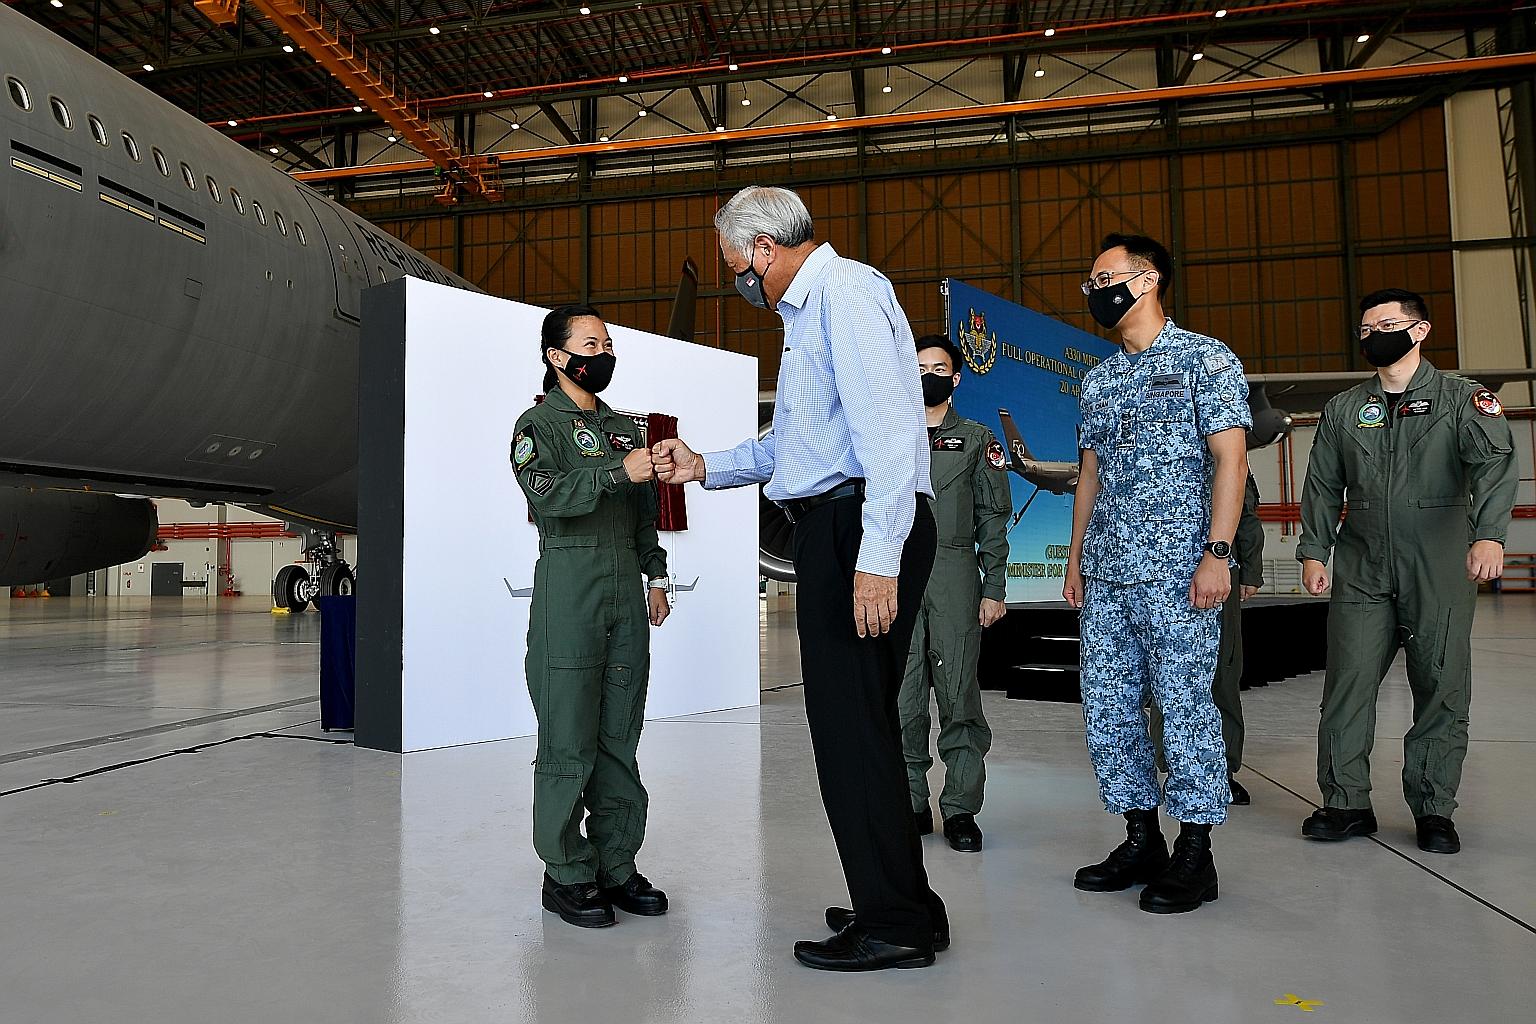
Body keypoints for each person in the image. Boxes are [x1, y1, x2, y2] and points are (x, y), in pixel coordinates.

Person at [653, 185, 946, 971]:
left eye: (733, 266)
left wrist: (876, 558)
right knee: (867, 728)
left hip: (856, 527)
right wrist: (707, 465)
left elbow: (888, 431)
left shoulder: (842, 293)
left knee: (850, 733)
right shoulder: (813, 311)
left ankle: (894, 925)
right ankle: (907, 902)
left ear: (761, 250)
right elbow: (795, 443)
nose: (735, 282)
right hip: (848, 520)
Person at [1063, 233, 1250, 915]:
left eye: (1105, 277)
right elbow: (1089, 476)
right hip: (1109, 574)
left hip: (1180, 572)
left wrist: (1218, 554)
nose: (1096, 291)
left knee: (1184, 708)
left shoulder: (1206, 358)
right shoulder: (1099, 378)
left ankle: (1195, 852)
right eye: (1091, 282)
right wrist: (1076, 558)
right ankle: (1141, 837)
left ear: (1148, 281)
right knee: (1110, 710)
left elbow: (1231, 461)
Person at [1296, 288, 1517, 855]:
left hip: (1438, 561)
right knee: (1347, 685)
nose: (1373, 335)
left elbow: (1494, 466)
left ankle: (1433, 808)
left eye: (1386, 325)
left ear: (1420, 330)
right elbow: (1322, 484)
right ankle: (1345, 801)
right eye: (1365, 328)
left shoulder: (1461, 400)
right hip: (1362, 563)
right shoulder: (1346, 409)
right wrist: (1315, 551)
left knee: (1441, 687)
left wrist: (1489, 535)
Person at [510, 305, 673, 928]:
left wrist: (655, 576)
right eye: (590, 343)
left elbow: (641, 518)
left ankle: (616, 864)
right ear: (557, 357)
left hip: (624, 598)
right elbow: (546, 495)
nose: (602, 353)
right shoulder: (537, 426)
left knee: (618, 738)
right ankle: (567, 871)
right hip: (570, 593)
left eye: (607, 343)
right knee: (569, 738)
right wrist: (614, 471)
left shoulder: (623, 429)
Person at [899, 334, 1012, 852]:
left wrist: (994, 588)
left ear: (956, 377)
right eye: (919, 366)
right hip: (896, 576)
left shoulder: (976, 439)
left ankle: (961, 809)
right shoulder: (888, 436)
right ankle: (911, 804)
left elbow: (992, 519)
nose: (928, 374)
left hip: (955, 573)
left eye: (938, 367)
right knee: (902, 699)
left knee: (959, 696)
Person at [1150, 471, 1264, 805]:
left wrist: (1251, 569)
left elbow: (1245, 511)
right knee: (1169, 675)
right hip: (1161, 572)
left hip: (1220, 573)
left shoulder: (1225, 447)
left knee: (1222, 671)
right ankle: (1174, 766)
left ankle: (1223, 771)